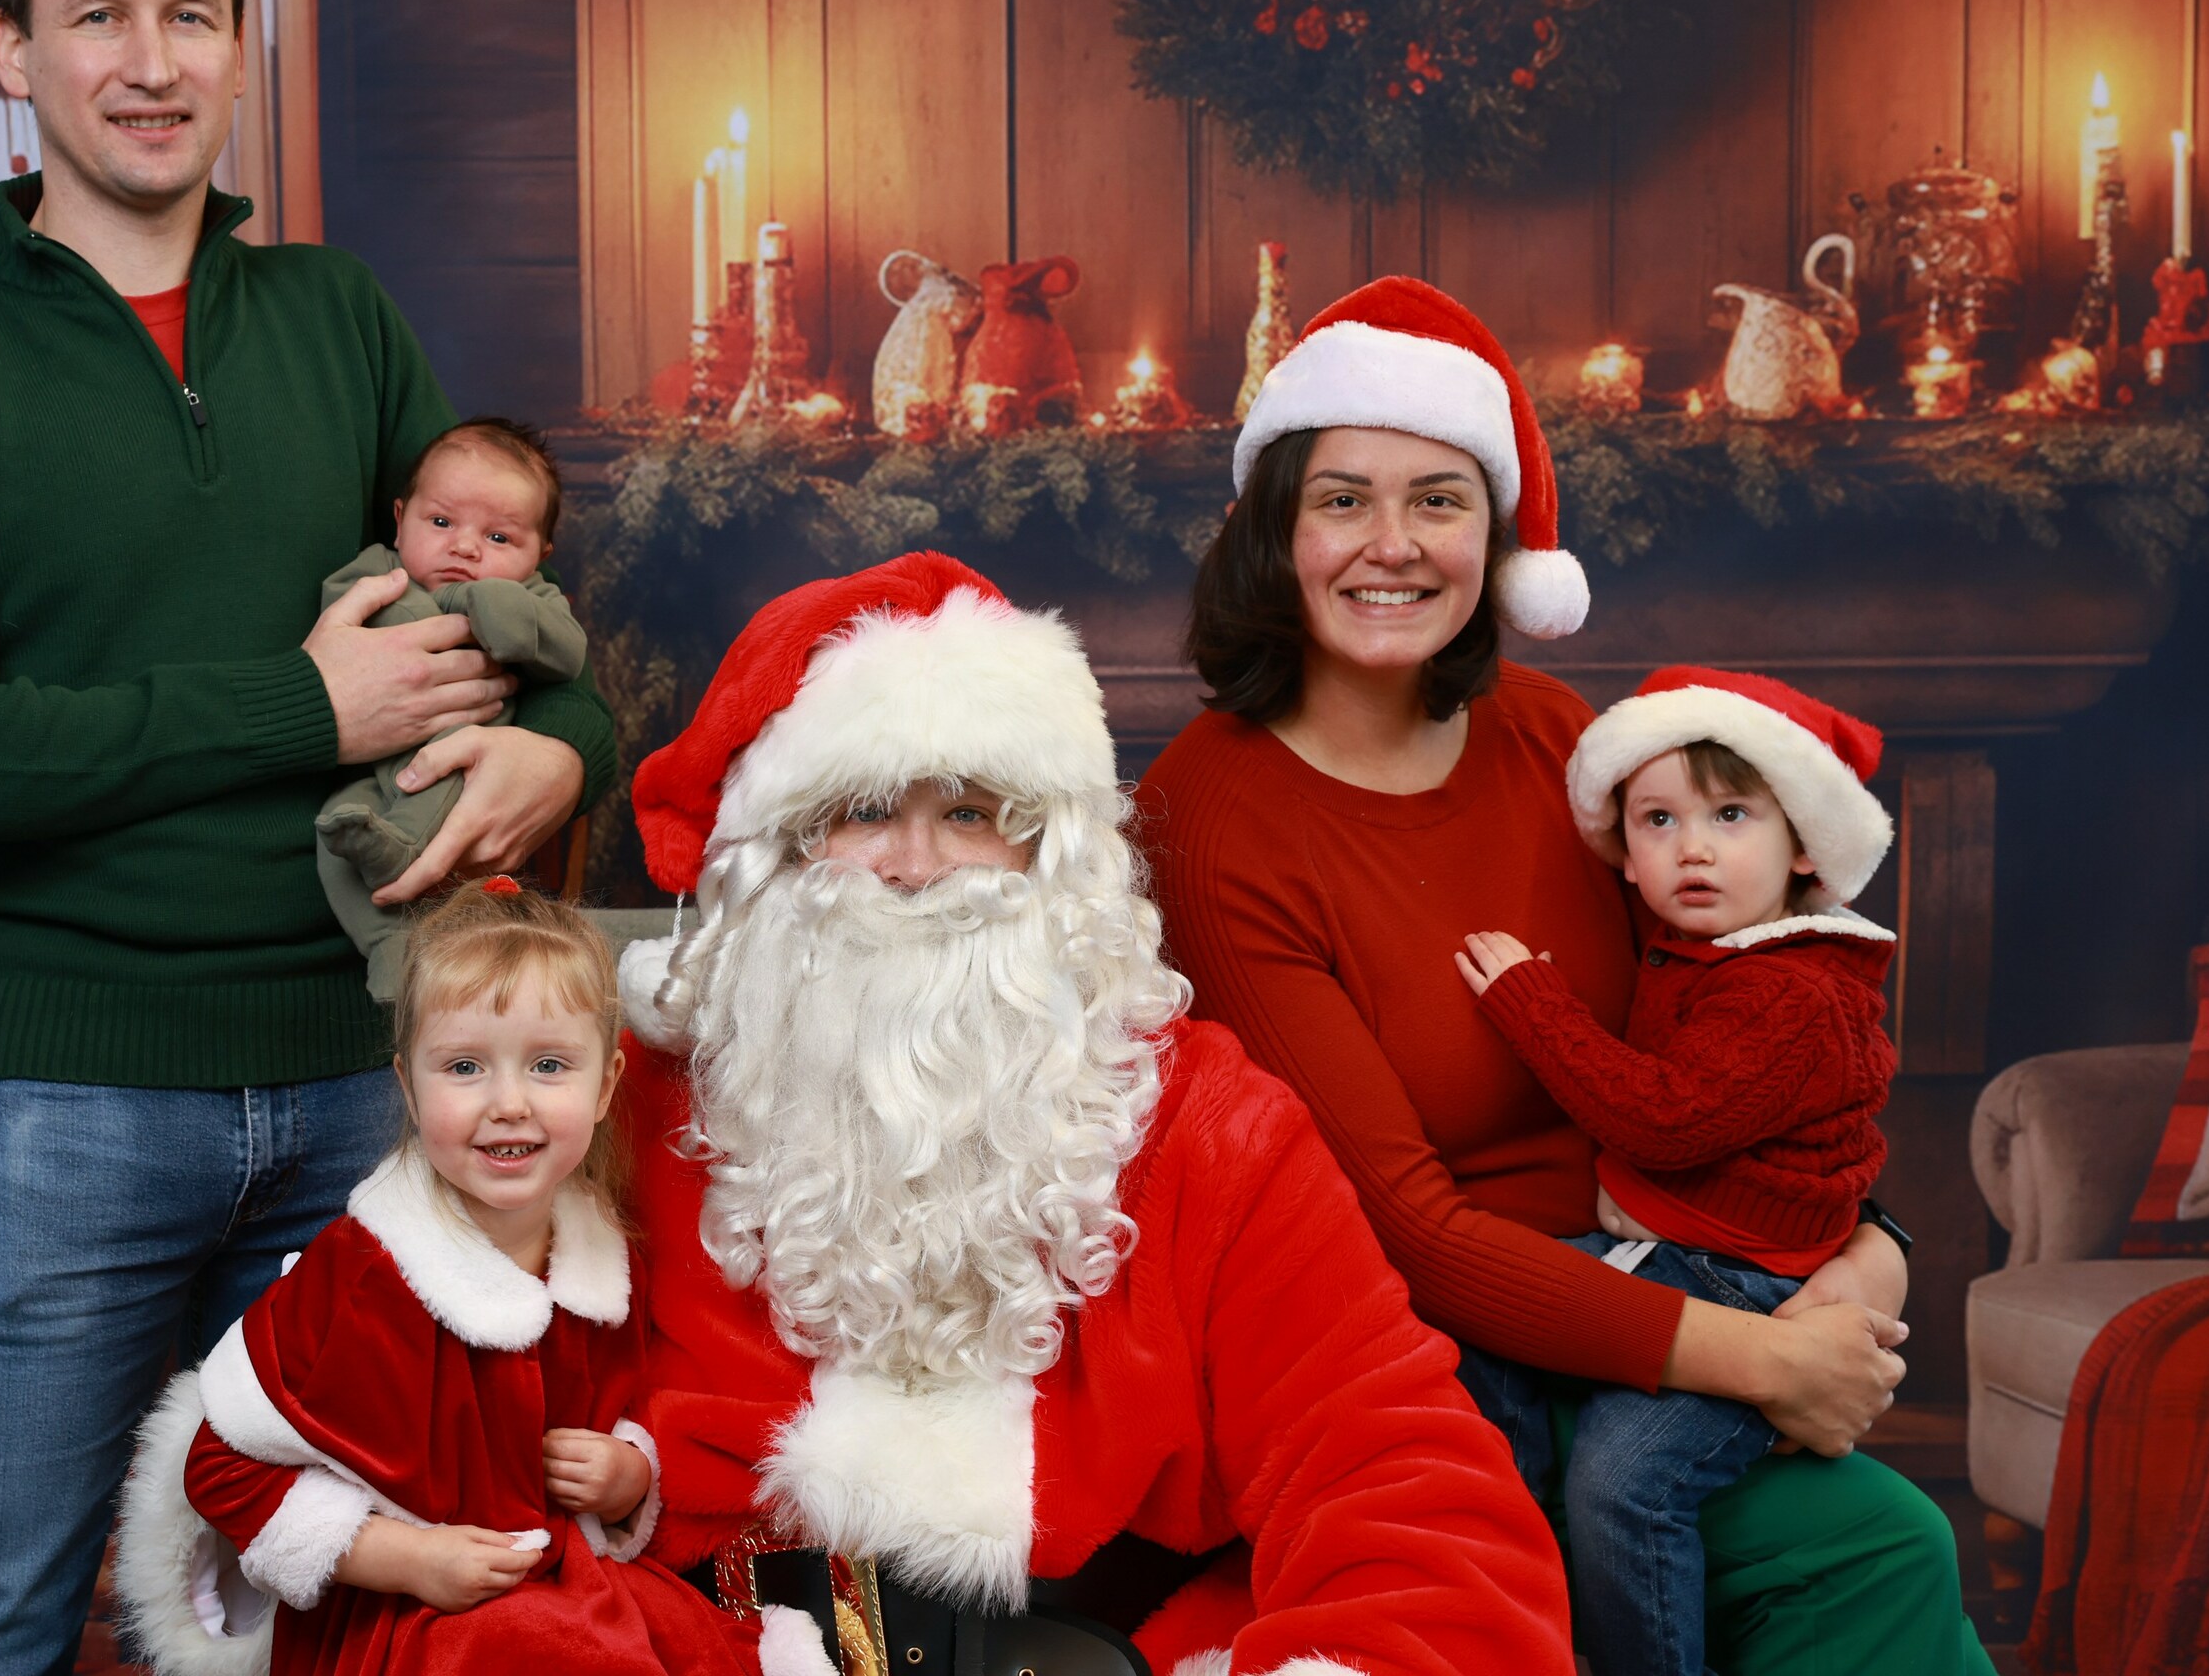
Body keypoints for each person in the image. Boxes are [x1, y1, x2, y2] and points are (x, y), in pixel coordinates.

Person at [0, 0, 614, 1674]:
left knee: (368, 1618)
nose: (152, 63)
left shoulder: (337, 319)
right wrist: (301, 709)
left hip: (361, 1089)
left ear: (242, 48)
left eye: (191, 15)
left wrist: (562, 749)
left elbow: (518, 605)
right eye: (99, 16)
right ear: (15, 52)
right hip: (59, 1106)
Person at [1135, 275, 1993, 1676]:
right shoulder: (1210, 818)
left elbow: (1735, 1032)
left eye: (1439, 500)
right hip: (1426, 1360)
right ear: (1276, 531)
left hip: (1654, 1293)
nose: (1394, 545)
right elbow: (1404, 1231)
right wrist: (1763, 1360)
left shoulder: (1552, 737)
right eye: (1343, 500)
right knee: (1871, 1541)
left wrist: (1862, 1250)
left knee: (1887, 1546)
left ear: (1495, 537)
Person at [607, 552, 1576, 1676]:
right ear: (781, 850)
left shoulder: (1208, 1123)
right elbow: (483, 1458)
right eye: (862, 812)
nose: (916, 867)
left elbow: (1403, 1483)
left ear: (1049, 852)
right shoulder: (627, 1113)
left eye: (969, 812)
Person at [112, 878, 758, 1676]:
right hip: (406, 1622)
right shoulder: (362, 1277)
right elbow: (222, 1471)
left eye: (548, 1065)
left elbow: (623, 1411)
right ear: (410, 1089)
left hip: (572, 1594)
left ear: (605, 1087)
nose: (509, 1102)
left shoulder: (605, 1266)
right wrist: (409, 1558)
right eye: (464, 1066)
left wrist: (627, 1479)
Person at [1451, 666, 1904, 1676]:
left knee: (1625, 1483)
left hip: (1746, 1284)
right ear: (1623, 852)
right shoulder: (1706, 950)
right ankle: (1521, 1599)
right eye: (1658, 820)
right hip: (1669, 1255)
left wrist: (1534, 1005)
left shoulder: (1793, 993)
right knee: (1484, 1324)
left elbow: (1662, 1120)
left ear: (1803, 847)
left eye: (1730, 815)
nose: (1692, 848)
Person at [313, 421, 588, 998]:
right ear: (399, 518)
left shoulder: (533, 595)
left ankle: (399, 854)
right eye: (440, 523)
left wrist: (474, 598)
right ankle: (387, 946)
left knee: (444, 783)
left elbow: (563, 651)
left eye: (499, 538)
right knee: (336, 833)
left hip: (467, 762)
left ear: (541, 554)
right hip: (375, 773)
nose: (464, 547)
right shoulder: (373, 571)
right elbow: (340, 626)